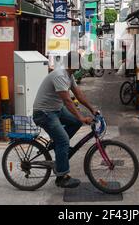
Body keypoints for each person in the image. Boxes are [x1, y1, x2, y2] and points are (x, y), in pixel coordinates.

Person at [32, 51, 99, 189]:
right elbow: (68, 101)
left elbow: (78, 94)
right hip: (44, 113)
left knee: (75, 122)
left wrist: (92, 109)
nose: (80, 64)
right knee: (63, 140)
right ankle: (61, 177)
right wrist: (81, 116)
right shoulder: (59, 75)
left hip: (55, 109)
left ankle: (58, 146)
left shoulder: (69, 76)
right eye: (78, 61)